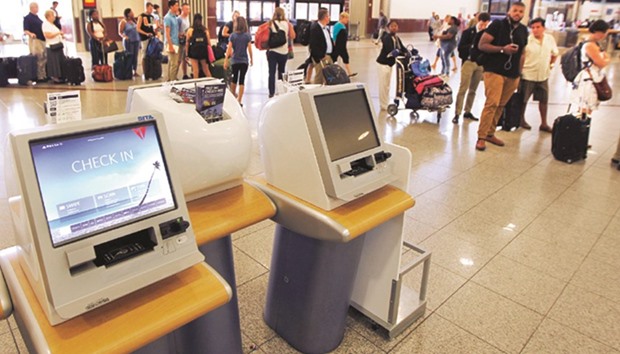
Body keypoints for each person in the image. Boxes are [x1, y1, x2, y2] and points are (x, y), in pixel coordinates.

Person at [475, 2, 528, 151]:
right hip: (494, 70)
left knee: (501, 104)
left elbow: (523, 53)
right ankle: (481, 137)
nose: (517, 13)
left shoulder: (523, 30)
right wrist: (502, 50)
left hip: (513, 74)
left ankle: (490, 133)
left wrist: (519, 72)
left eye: (520, 11)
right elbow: (482, 44)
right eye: (515, 10)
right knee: (492, 103)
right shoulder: (498, 25)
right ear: (509, 12)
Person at [519, 18, 559, 132]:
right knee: (523, 99)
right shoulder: (527, 40)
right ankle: (521, 119)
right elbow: (521, 57)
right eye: (533, 28)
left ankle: (544, 123)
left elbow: (555, 53)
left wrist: (550, 65)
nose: (535, 30)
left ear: (543, 28)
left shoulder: (549, 39)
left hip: (543, 75)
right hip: (528, 74)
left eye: (538, 27)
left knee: (544, 100)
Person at [453, 12, 491, 124]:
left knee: (473, 89)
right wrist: (473, 46)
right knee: (463, 88)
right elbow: (460, 48)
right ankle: (457, 113)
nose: (483, 27)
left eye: (486, 25)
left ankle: (467, 111)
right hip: (468, 62)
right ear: (477, 21)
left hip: (480, 64)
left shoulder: (488, 34)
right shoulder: (468, 32)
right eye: (481, 24)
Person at [570, 20, 611, 116]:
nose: (604, 35)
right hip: (588, 80)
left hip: (592, 78)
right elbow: (601, 63)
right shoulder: (590, 45)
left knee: (588, 107)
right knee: (585, 107)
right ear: (598, 32)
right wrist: (607, 59)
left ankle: (583, 127)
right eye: (604, 32)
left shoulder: (594, 44)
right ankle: (581, 128)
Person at [376, 19, 404, 111]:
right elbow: (390, 51)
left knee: (387, 85)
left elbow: (402, 48)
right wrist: (399, 52)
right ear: (388, 28)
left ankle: (385, 102)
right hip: (383, 64)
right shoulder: (386, 37)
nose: (394, 28)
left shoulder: (396, 38)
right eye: (392, 26)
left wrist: (408, 53)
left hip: (390, 65)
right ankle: (383, 105)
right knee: (383, 85)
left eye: (395, 26)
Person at [224, 16, 253, 105]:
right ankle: (239, 100)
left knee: (234, 78)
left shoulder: (233, 36)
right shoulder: (247, 36)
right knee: (242, 80)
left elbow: (229, 49)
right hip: (244, 61)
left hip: (235, 61)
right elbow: (250, 48)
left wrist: (226, 60)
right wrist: (252, 58)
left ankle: (233, 97)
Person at [266, 7, 291, 97]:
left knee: (271, 73)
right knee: (281, 72)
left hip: (273, 51)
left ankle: (271, 93)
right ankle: (281, 92)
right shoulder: (286, 24)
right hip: (283, 52)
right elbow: (291, 36)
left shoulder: (271, 23)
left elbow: (267, 36)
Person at [23, 3, 47, 82]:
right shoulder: (27, 18)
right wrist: (31, 34)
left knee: (44, 57)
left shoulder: (37, 17)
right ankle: (39, 76)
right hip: (35, 40)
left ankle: (43, 74)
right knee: (39, 57)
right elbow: (25, 30)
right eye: (36, 7)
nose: (38, 8)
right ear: (32, 8)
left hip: (42, 39)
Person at [309, 7, 333, 85]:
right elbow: (313, 44)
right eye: (328, 16)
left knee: (329, 77)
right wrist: (319, 57)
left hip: (328, 56)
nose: (329, 18)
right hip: (321, 57)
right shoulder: (315, 28)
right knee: (319, 77)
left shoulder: (326, 28)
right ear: (324, 17)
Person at [185, 13, 211, 78]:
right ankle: (211, 83)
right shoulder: (205, 30)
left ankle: (196, 85)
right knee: (206, 70)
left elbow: (187, 42)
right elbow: (209, 43)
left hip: (194, 52)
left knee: (195, 71)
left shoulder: (190, 30)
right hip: (203, 52)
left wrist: (187, 53)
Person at [331, 12, 356, 77]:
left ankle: (349, 73)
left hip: (342, 45)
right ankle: (334, 72)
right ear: (342, 18)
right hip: (338, 45)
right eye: (346, 18)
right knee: (334, 58)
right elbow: (334, 35)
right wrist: (334, 43)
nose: (347, 19)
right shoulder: (338, 25)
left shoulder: (343, 25)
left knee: (345, 57)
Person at [42, 9, 64, 83]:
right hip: (52, 46)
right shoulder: (45, 24)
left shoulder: (53, 25)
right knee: (54, 62)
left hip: (58, 44)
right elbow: (48, 35)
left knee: (59, 61)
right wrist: (58, 33)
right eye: (52, 15)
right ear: (48, 16)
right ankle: (55, 76)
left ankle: (60, 75)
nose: (54, 17)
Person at [119, 8, 141, 77]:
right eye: (131, 12)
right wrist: (124, 36)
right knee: (129, 56)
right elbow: (120, 32)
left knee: (135, 56)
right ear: (128, 14)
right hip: (129, 41)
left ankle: (134, 70)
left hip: (136, 40)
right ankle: (128, 71)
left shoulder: (134, 21)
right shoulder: (123, 22)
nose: (133, 13)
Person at [164, 0, 181, 81]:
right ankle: (172, 81)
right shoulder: (167, 18)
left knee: (171, 63)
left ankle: (170, 78)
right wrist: (170, 46)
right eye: (176, 5)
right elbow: (167, 33)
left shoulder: (175, 17)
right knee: (174, 64)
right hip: (171, 43)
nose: (178, 7)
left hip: (176, 42)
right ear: (171, 6)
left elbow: (174, 31)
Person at [137, 2, 156, 70]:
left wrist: (157, 29)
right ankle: (145, 70)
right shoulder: (141, 16)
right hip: (144, 38)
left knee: (152, 53)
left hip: (152, 37)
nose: (151, 10)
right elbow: (138, 28)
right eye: (150, 8)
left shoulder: (151, 17)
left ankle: (151, 69)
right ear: (147, 7)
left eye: (152, 9)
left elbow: (152, 27)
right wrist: (146, 33)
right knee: (144, 54)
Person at [178, 3, 191, 79]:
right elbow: (176, 31)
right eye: (186, 9)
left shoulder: (187, 18)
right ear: (182, 9)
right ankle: (174, 74)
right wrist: (182, 34)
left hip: (186, 41)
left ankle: (185, 74)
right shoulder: (179, 19)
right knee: (179, 59)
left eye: (188, 9)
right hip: (181, 41)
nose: (188, 11)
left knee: (184, 58)